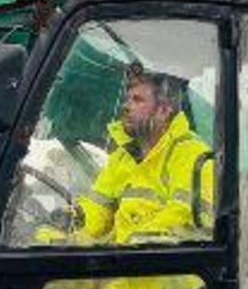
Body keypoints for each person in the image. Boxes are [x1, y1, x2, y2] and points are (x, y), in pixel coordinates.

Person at [69, 66, 216, 247]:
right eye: (127, 99)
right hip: (124, 266)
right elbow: (98, 211)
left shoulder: (192, 155)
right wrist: (71, 222)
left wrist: (128, 246)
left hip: (163, 271)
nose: (126, 106)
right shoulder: (122, 157)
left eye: (137, 100)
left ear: (163, 111)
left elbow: (183, 222)